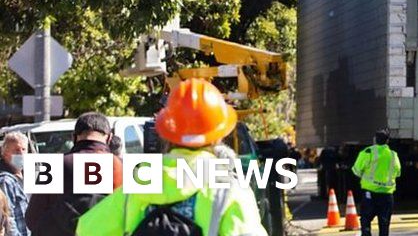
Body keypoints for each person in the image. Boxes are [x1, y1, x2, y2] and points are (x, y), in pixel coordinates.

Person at [76, 78, 267, 235]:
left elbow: (86, 230)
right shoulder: (229, 192)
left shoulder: (137, 188)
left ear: (166, 133)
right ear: (218, 137)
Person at [26, 112, 125, 235]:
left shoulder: (47, 165)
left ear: (73, 137)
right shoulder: (128, 167)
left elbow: (32, 220)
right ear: (109, 138)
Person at [352, 129, 401, 236]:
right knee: (384, 223)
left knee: (365, 220)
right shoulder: (393, 155)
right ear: (388, 141)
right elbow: (397, 172)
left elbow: (356, 170)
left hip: (370, 193)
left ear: (375, 139)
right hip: (387, 194)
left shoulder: (368, 152)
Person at [0, 132, 29, 236]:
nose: (21, 154)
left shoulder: (29, 174)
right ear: (4, 153)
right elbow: (7, 218)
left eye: (24, 149)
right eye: (16, 150)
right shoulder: (5, 180)